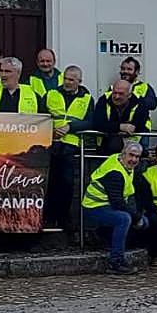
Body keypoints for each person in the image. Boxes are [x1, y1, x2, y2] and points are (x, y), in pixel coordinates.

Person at [81, 141, 145, 274]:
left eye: (137, 157)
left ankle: (104, 238)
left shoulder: (121, 162)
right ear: (123, 154)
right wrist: (137, 217)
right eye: (131, 155)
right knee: (124, 218)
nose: (133, 159)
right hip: (94, 207)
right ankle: (116, 261)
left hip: (105, 205)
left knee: (141, 221)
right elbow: (118, 203)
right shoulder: (115, 172)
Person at [46, 65, 94, 233]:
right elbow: (42, 115)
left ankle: (64, 218)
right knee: (50, 181)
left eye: (71, 80)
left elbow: (90, 121)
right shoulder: (52, 93)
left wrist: (70, 127)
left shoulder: (87, 98)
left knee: (67, 183)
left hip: (71, 145)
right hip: (51, 142)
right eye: (65, 78)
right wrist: (51, 128)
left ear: (79, 82)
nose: (67, 82)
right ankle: (49, 217)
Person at [93, 79, 150, 155]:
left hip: (134, 148)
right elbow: (97, 124)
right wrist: (120, 126)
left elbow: (137, 126)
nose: (116, 97)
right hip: (105, 148)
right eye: (114, 93)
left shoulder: (141, 103)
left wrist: (111, 127)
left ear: (129, 95)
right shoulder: (104, 100)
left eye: (121, 94)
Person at [115, 56, 157, 135]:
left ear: (137, 72)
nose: (125, 71)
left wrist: (133, 96)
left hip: (141, 130)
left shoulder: (145, 87)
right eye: (123, 69)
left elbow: (152, 105)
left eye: (129, 69)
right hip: (120, 130)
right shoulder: (114, 87)